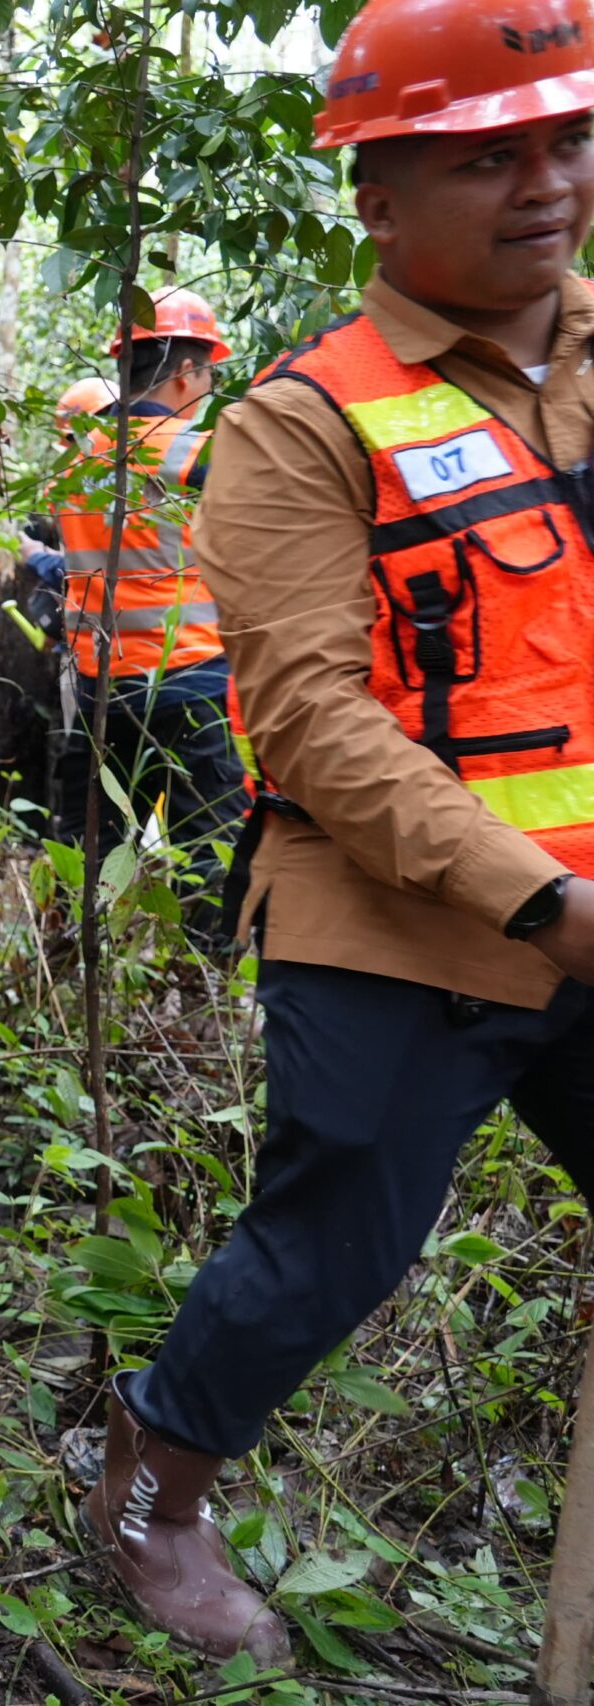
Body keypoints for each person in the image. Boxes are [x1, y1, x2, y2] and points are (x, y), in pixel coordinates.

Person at [90, 0, 594, 1666]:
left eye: (565, 143)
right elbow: (310, 718)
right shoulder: (303, 421)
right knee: (334, 1236)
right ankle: (157, 1483)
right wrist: (541, 900)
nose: (543, 185)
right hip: (397, 917)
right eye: (486, 159)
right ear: (378, 198)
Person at [54, 288, 249, 863]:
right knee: (209, 855)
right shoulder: (193, 451)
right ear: (186, 372)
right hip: (189, 681)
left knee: (92, 855)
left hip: (98, 688)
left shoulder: (77, 457)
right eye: (209, 375)